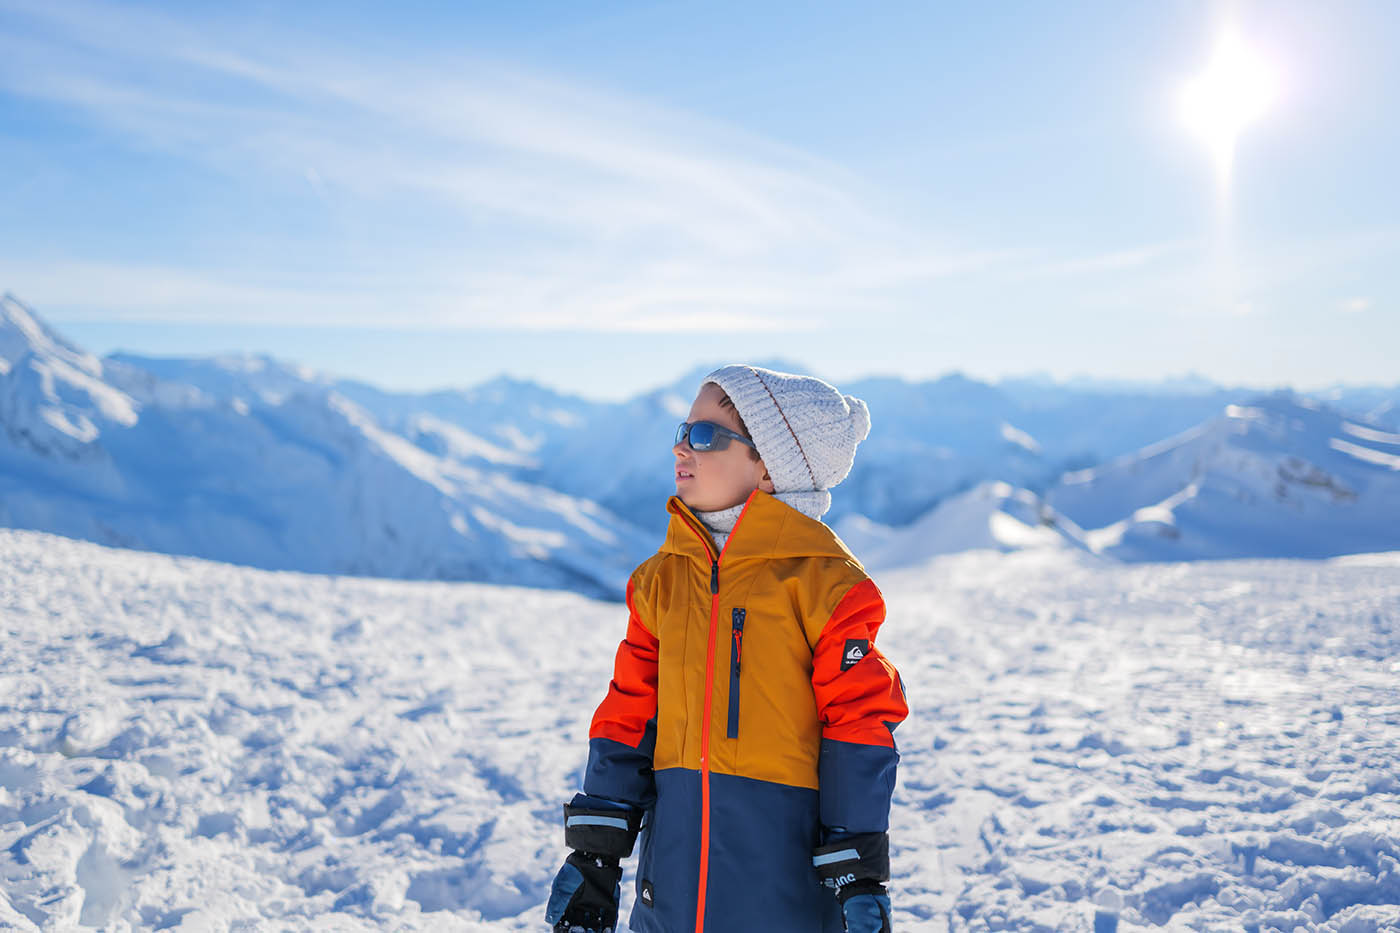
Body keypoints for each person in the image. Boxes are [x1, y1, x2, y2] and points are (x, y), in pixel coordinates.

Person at [545, 364, 908, 933]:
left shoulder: (826, 587)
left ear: (768, 468)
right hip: (668, 896)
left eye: (705, 435)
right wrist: (595, 855)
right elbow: (627, 716)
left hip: (783, 898)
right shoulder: (660, 580)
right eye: (682, 430)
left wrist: (857, 872)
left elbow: (859, 726)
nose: (680, 447)